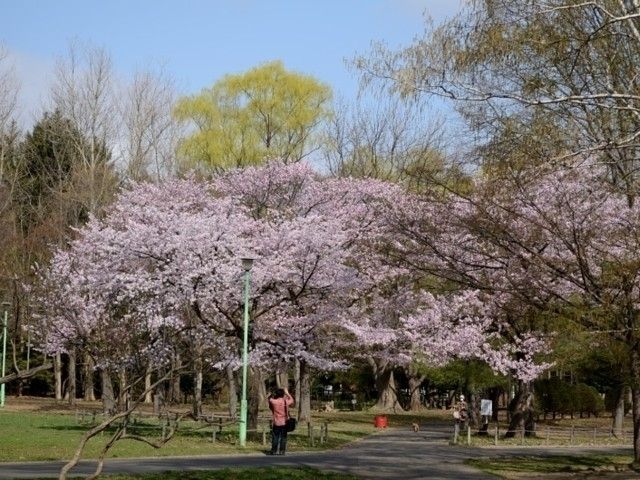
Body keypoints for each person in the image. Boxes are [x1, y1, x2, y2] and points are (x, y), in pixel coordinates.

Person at [268, 387, 294, 455]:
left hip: (276, 422)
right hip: (285, 422)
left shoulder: (274, 402)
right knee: (283, 437)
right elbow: (292, 400)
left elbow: (269, 398)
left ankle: (274, 450)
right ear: (283, 394)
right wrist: (287, 393)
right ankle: (282, 451)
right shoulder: (286, 401)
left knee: (275, 437)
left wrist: (272, 394)